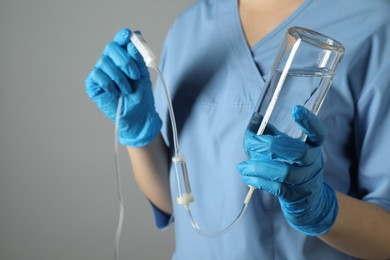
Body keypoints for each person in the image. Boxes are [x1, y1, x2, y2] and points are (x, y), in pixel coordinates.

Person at [85, 0, 390, 259]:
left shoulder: (374, 24)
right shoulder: (190, 27)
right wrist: (140, 135)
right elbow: (182, 203)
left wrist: (323, 211)